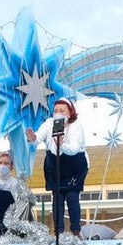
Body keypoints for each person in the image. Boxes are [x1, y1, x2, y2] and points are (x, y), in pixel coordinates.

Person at [25, 98, 88, 235]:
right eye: (56, 111)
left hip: (74, 166)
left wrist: (62, 145)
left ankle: (76, 231)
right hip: (55, 166)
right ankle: (58, 232)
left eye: (62, 111)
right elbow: (38, 138)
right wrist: (32, 138)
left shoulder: (76, 126)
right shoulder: (49, 124)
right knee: (57, 199)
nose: (58, 113)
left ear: (70, 113)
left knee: (72, 197)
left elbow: (74, 148)